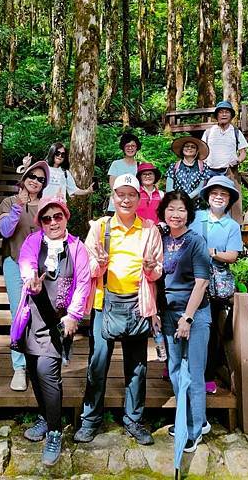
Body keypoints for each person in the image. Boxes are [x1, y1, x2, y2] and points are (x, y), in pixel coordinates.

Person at [74, 174, 163, 446]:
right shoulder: (100, 228)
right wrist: (99, 264)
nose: (125, 199)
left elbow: (158, 269)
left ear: (139, 198)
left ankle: (133, 420)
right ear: (113, 197)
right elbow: (87, 268)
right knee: (97, 363)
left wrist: (150, 269)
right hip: (105, 304)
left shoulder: (149, 229)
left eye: (131, 194)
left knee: (137, 366)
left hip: (138, 304)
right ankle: (90, 420)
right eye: (120, 194)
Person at [10, 196, 91, 466]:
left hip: (59, 322)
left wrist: (74, 315)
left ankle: (55, 431)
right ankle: (45, 417)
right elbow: (26, 263)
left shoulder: (77, 247)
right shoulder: (34, 241)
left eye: (58, 216)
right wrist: (30, 280)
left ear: (66, 217)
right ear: (40, 222)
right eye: (47, 218)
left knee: (48, 373)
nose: (53, 222)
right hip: (33, 318)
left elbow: (83, 282)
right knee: (34, 371)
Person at [157, 190, 211, 453]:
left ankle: (195, 428)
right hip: (169, 313)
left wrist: (187, 318)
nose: (175, 214)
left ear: (188, 213)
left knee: (195, 372)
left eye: (180, 209)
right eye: (170, 209)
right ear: (163, 212)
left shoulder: (196, 241)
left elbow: (201, 282)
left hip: (195, 313)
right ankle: (185, 419)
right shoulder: (162, 239)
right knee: (176, 369)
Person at [0, 160, 50, 391]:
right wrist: (18, 206)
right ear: (24, 176)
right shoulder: (8, 202)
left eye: (41, 179)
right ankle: (19, 367)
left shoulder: (47, 205)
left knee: (42, 314)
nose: (36, 181)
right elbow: (5, 230)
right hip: (14, 263)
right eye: (32, 176)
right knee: (19, 312)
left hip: (42, 267)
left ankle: (41, 361)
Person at [190, 176, 243, 394]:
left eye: (223, 194)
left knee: (210, 331)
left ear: (229, 199)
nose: (219, 197)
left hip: (215, 285)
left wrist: (213, 253)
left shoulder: (231, 225)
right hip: (192, 280)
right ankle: (177, 370)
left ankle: (207, 375)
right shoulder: (197, 217)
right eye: (214, 193)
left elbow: (232, 255)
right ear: (208, 196)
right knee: (186, 323)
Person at [201, 101, 248, 223]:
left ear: (231, 116)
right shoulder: (209, 132)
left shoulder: (236, 132)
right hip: (209, 172)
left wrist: (238, 160)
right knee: (208, 199)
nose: (223, 114)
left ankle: (233, 226)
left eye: (226, 112)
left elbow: (243, 153)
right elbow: (201, 153)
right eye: (221, 112)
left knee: (231, 200)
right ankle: (209, 224)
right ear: (216, 115)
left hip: (229, 172)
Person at [17, 142, 93, 199]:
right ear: (52, 152)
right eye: (57, 153)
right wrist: (26, 166)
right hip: (42, 206)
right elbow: (29, 178)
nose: (60, 156)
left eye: (63, 154)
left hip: (59, 209)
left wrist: (87, 191)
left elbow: (74, 190)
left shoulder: (65, 173)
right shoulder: (43, 168)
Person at [165, 136, 210, 208]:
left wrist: (187, 198)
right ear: (182, 149)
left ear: (197, 151)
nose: (189, 148)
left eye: (193, 147)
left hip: (195, 206)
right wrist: (179, 199)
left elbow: (201, 188)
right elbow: (169, 188)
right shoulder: (174, 166)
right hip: (177, 205)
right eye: (186, 146)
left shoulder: (203, 167)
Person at [107, 132, 141, 214]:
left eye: (133, 146)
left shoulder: (140, 166)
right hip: (116, 206)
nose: (130, 148)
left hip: (133, 206)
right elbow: (113, 186)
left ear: (137, 148)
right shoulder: (116, 164)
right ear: (123, 148)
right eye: (127, 146)